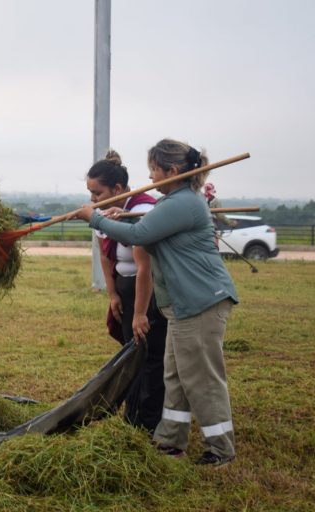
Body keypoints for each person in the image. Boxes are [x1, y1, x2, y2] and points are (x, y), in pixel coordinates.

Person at [71, 139, 239, 467]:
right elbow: (147, 227)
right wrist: (126, 215)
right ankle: (170, 442)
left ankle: (221, 449)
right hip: (182, 305)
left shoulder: (183, 203)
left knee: (201, 378)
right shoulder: (174, 201)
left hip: (202, 301)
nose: (150, 178)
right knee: (175, 375)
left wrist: (95, 218)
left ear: (172, 171)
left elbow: (139, 237)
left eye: (154, 171)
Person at [86, 150, 167, 434]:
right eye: (91, 194)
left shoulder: (143, 211)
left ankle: (148, 422)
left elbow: (146, 267)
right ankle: (132, 417)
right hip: (125, 289)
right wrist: (113, 295)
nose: (93, 200)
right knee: (131, 353)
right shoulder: (102, 216)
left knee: (150, 355)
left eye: (97, 193)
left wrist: (141, 312)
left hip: (150, 291)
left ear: (117, 189)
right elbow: (106, 258)